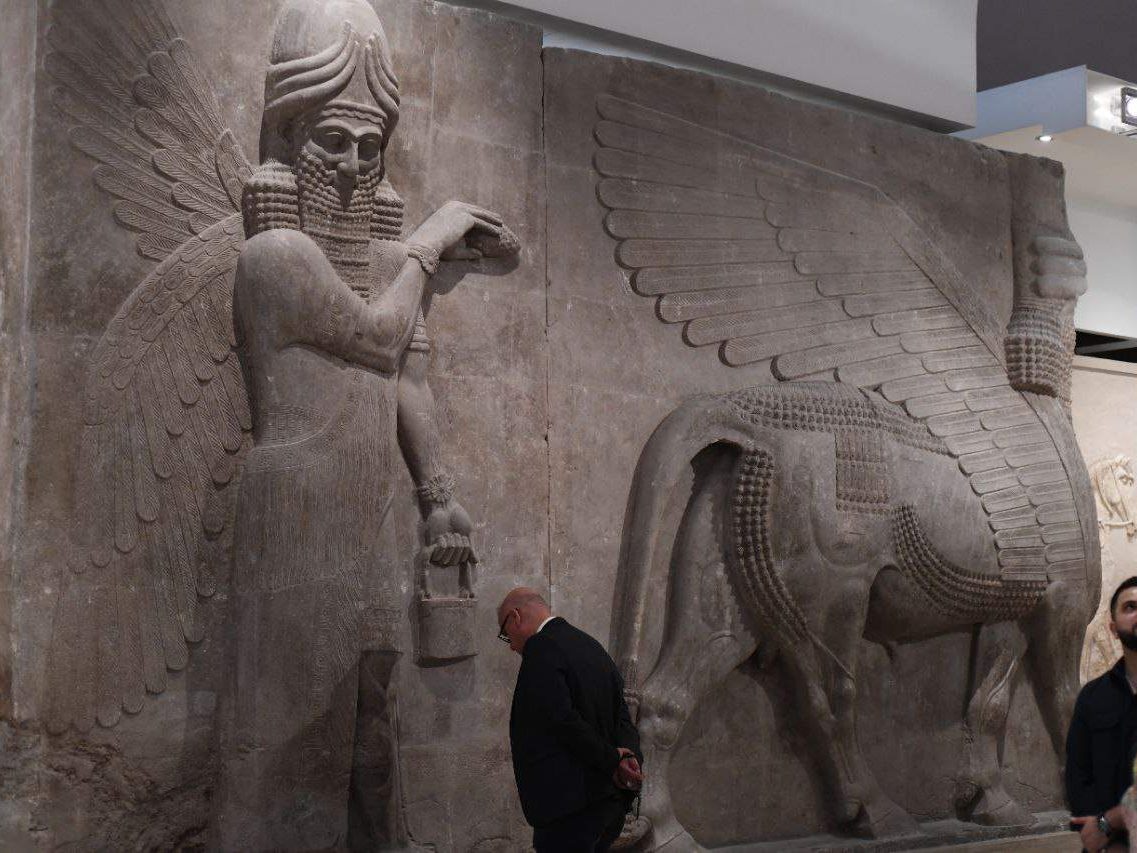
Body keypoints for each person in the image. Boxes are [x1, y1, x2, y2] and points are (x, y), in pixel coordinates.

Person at [499, 588, 644, 852]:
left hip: (569, 807)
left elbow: (561, 720)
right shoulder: (591, 645)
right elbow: (622, 715)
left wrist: (613, 758)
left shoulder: (540, 646)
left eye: (506, 634)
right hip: (609, 804)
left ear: (515, 617)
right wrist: (628, 758)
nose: (511, 645)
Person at [1068, 576, 1137, 853]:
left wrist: (1113, 821)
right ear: (1113, 628)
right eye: (1130, 607)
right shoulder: (1092, 698)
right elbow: (1078, 776)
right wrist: (1103, 833)